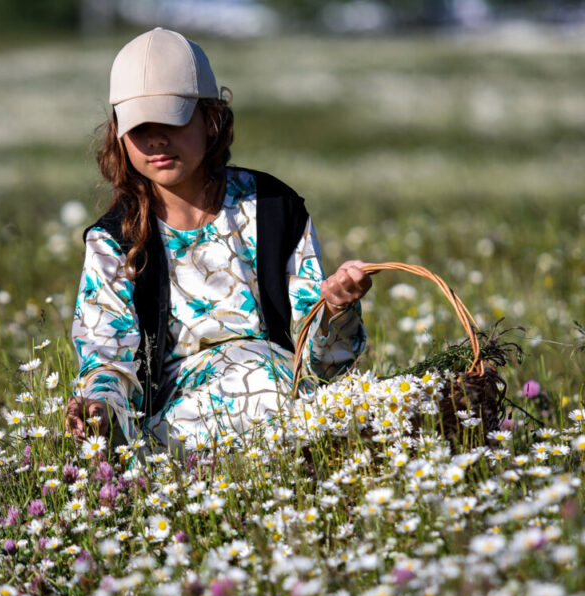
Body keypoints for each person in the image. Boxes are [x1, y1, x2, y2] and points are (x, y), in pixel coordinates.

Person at [65, 27, 372, 454]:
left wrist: (336, 308)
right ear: (119, 134)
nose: (156, 139)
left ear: (211, 119)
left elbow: (321, 362)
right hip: (181, 420)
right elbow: (108, 359)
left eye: (171, 120)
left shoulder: (273, 208)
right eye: (140, 127)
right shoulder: (114, 242)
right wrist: (98, 406)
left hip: (287, 394)